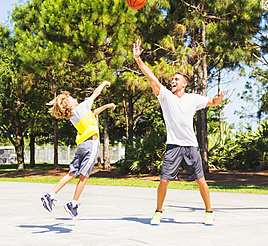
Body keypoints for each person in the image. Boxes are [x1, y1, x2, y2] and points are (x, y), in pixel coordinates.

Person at [133, 40, 226, 226]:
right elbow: (151, 77)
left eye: (176, 80)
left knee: (200, 180)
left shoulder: (193, 99)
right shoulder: (166, 97)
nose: (172, 81)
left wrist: (219, 99)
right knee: (164, 181)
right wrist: (138, 59)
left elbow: (213, 103)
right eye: (172, 80)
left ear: (184, 84)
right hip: (173, 146)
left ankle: (209, 212)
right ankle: (158, 212)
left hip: (191, 146)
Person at [41, 81, 115, 218]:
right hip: (91, 144)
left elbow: (94, 112)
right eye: (71, 98)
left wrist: (106, 106)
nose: (75, 98)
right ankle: (73, 203)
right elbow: (94, 94)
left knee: (72, 173)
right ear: (70, 104)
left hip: (82, 146)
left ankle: (50, 195)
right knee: (84, 176)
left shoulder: (75, 115)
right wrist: (104, 83)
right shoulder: (81, 107)